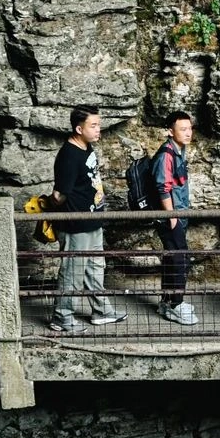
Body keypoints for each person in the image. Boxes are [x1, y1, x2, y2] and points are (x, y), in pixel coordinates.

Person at [50, 105, 124, 334]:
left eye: (98, 124)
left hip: (93, 219)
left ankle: (102, 311)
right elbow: (59, 195)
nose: (98, 129)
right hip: (76, 224)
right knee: (73, 270)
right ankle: (62, 317)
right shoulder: (69, 155)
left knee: (95, 267)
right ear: (78, 128)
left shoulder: (86, 146)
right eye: (93, 126)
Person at [154, 112, 198, 326]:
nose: (188, 133)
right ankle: (176, 305)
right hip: (171, 217)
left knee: (173, 258)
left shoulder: (179, 151)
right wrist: (171, 217)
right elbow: (163, 187)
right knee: (181, 259)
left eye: (189, 128)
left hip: (178, 214)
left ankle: (167, 301)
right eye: (183, 129)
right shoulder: (166, 155)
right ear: (170, 131)